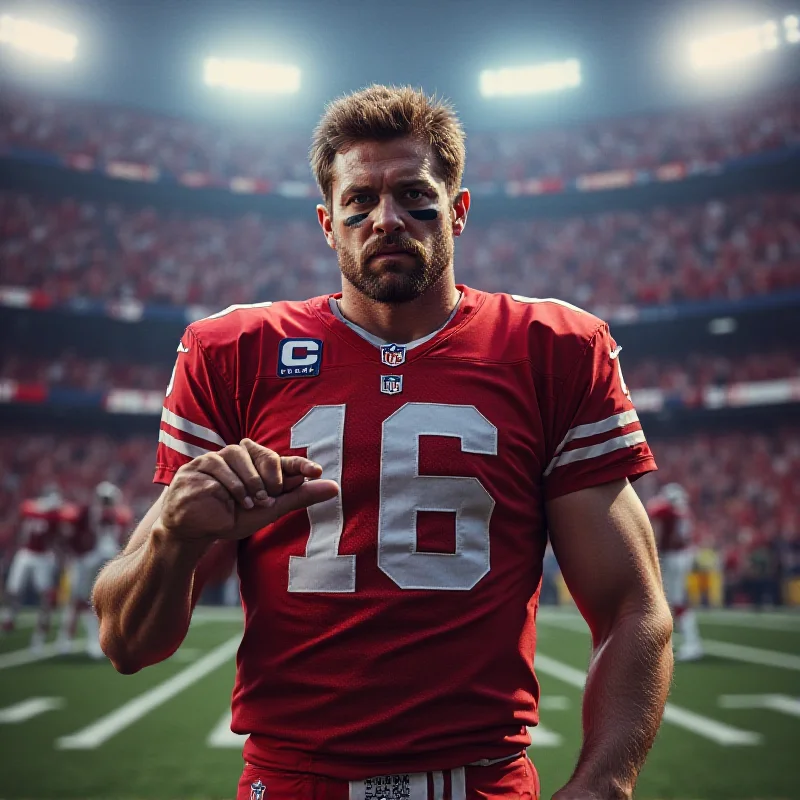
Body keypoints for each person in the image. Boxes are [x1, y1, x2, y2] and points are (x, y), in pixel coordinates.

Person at [93, 85, 673, 800]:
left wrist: (605, 782)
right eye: (359, 202)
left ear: (458, 211)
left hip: (483, 784)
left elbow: (631, 604)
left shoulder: (552, 350)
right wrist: (173, 542)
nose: (387, 220)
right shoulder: (231, 353)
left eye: (414, 196)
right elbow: (126, 645)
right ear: (327, 225)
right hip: (294, 782)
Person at [57, 482, 132, 657]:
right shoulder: (86, 513)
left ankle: (103, 641)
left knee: (108, 602)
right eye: (104, 500)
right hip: (88, 559)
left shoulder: (117, 515)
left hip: (108, 559)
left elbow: (123, 531)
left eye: (108, 500)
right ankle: (67, 638)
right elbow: (70, 530)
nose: (106, 504)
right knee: (79, 600)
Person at [1, 486, 62, 652]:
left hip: (43, 556)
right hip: (26, 553)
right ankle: (9, 617)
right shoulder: (33, 508)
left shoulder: (54, 515)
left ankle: (40, 634)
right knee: (13, 590)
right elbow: (25, 509)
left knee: (46, 596)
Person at [647, 483, 703, 661]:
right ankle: (683, 641)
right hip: (682, 555)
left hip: (673, 557)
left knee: (675, 601)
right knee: (671, 600)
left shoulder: (667, 510)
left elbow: (656, 518)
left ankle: (693, 643)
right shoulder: (683, 511)